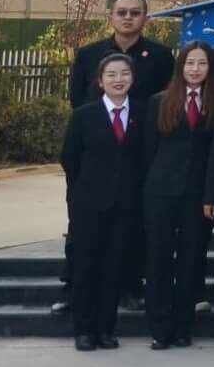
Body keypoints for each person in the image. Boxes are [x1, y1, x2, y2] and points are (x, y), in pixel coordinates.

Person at [62, 53, 149, 351]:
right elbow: (70, 159)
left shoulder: (142, 113)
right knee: (87, 268)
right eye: (111, 74)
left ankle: (105, 329)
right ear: (100, 81)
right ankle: (84, 330)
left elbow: (144, 158)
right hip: (89, 205)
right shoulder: (84, 116)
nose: (118, 79)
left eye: (124, 73)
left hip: (125, 206)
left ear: (132, 78)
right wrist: (82, 194)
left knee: (114, 269)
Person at [142, 42, 214, 350]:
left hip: (198, 197)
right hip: (160, 193)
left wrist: (211, 195)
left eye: (202, 63)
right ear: (180, 66)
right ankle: (160, 328)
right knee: (159, 261)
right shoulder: (159, 102)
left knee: (191, 262)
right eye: (190, 63)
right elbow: (146, 151)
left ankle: (184, 326)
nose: (195, 69)